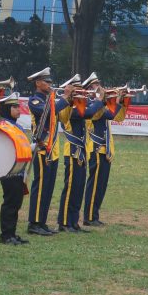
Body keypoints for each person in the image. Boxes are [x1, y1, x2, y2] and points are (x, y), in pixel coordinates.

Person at [81, 73, 129, 227]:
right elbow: (100, 115)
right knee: (94, 184)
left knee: (101, 185)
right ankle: (88, 217)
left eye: (98, 84)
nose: (100, 87)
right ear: (89, 89)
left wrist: (121, 99)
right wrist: (109, 99)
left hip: (106, 150)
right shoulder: (89, 104)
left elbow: (117, 117)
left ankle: (94, 215)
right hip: (95, 149)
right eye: (95, 86)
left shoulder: (100, 103)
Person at [57, 75, 98, 233]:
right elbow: (86, 113)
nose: (82, 91)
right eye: (78, 88)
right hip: (72, 153)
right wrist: (100, 99)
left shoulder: (80, 104)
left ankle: (74, 222)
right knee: (71, 188)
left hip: (81, 153)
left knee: (79, 188)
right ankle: (64, 222)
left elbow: (92, 112)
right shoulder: (70, 107)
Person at [27, 67, 64, 236]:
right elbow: (48, 111)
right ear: (38, 83)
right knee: (40, 187)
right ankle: (33, 223)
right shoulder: (35, 100)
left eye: (50, 81)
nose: (50, 84)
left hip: (52, 150)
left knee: (48, 188)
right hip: (42, 150)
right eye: (46, 82)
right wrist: (65, 98)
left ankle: (42, 222)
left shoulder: (50, 99)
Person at [0, 92, 30, 245]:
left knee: (16, 202)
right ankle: (6, 235)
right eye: (14, 107)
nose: (18, 110)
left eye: (18, 106)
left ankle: (12, 233)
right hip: (9, 170)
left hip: (19, 169)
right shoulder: (3, 126)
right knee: (10, 202)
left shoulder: (17, 126)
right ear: (7, 109)